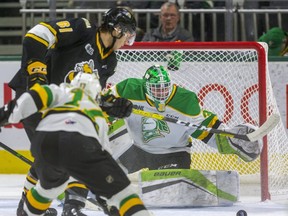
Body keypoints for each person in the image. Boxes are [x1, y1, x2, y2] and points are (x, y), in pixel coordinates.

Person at [8, 7, 136, 216]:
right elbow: (36, 35)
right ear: (117, 30)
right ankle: (71, 207)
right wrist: (37, 73)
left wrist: (109, 104)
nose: (127, 42)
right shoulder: (83, 30)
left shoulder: (109, 61)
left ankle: (33, 207)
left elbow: (88, 95)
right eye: (128, 35)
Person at [0, 68, 152, 216]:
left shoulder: (57, 91)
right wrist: (105, 198)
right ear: (96, 94)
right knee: (123, 192)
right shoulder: (97, 114)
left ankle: (26, 210)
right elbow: (103, 155)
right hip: (81, 142)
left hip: (45, 141)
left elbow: (27, 101)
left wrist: (2, 117)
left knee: (47, 189)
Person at [105, 65, 262, 173]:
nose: (161, 93)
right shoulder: (128, 88)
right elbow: (100, 104)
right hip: (137, 150)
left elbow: (206, 132)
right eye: (156, 89)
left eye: (164, 88)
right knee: (104, 178)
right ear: (145, 86)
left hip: (173, 153)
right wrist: (109, 107)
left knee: (167, 195)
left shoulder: (186, 101)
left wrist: (231, 141)